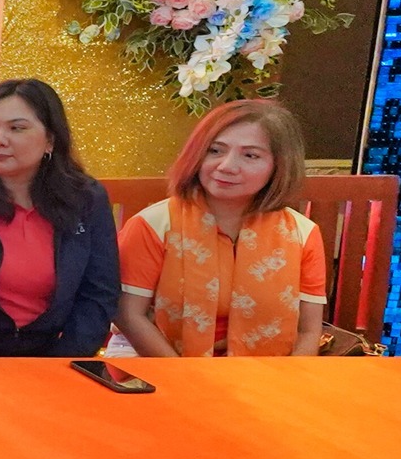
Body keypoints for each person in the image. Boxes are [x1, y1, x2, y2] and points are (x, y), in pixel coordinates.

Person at [115, 99, 326, 357]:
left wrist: (289, 379)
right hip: (161, 364)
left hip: (268, 373)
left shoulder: (302, 233)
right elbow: (129, 316)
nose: (226, 166)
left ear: (279, 166)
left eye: (250, 155)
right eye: (215, 151)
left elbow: (308, 331)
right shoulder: (153, 225)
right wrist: (184, 375)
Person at [0, 79, 120, 357]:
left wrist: (61, 362)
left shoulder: (85, 198)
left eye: (17, 128)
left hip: (54, 356)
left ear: (50, 140)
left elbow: (99, 293)